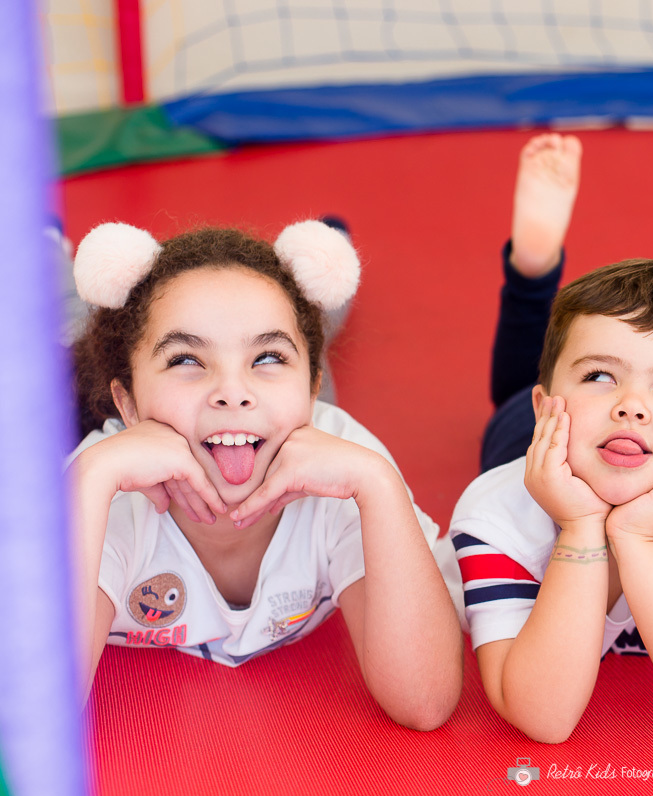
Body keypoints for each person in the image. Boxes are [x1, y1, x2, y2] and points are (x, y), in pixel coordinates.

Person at [67, 221, 462, 730]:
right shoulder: (102, 498)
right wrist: (92, 475)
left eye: (268, 357)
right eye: (186, 358)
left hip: (267, 428)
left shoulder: (349, 468)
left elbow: (425, 701)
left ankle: (319, 297)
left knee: (289, 350)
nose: (232, 391)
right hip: (89, 404)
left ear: (312, 392)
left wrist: (379, 486)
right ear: (128, 405)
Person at [450, 133, 653, 742]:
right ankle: (532, 271)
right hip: (549, 442)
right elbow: (543, 719)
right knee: (518, 391)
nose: (631, 405)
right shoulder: (493, 511)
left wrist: (636, 537)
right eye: (602, 377)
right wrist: (580, 528)